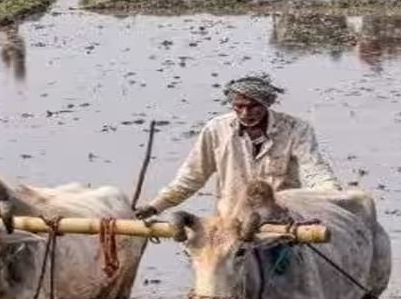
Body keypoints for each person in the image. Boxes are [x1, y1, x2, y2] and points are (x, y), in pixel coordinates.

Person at [135, 73, 341, 222]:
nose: (245, 113)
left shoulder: (295, 129)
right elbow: (192, 176)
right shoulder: (216, 129)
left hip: (279, 219)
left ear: (266, 104)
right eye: (239, 106)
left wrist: (334, 198)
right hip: (230, 221)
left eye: (253, 107)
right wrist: (156, 206)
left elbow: (314, 170)